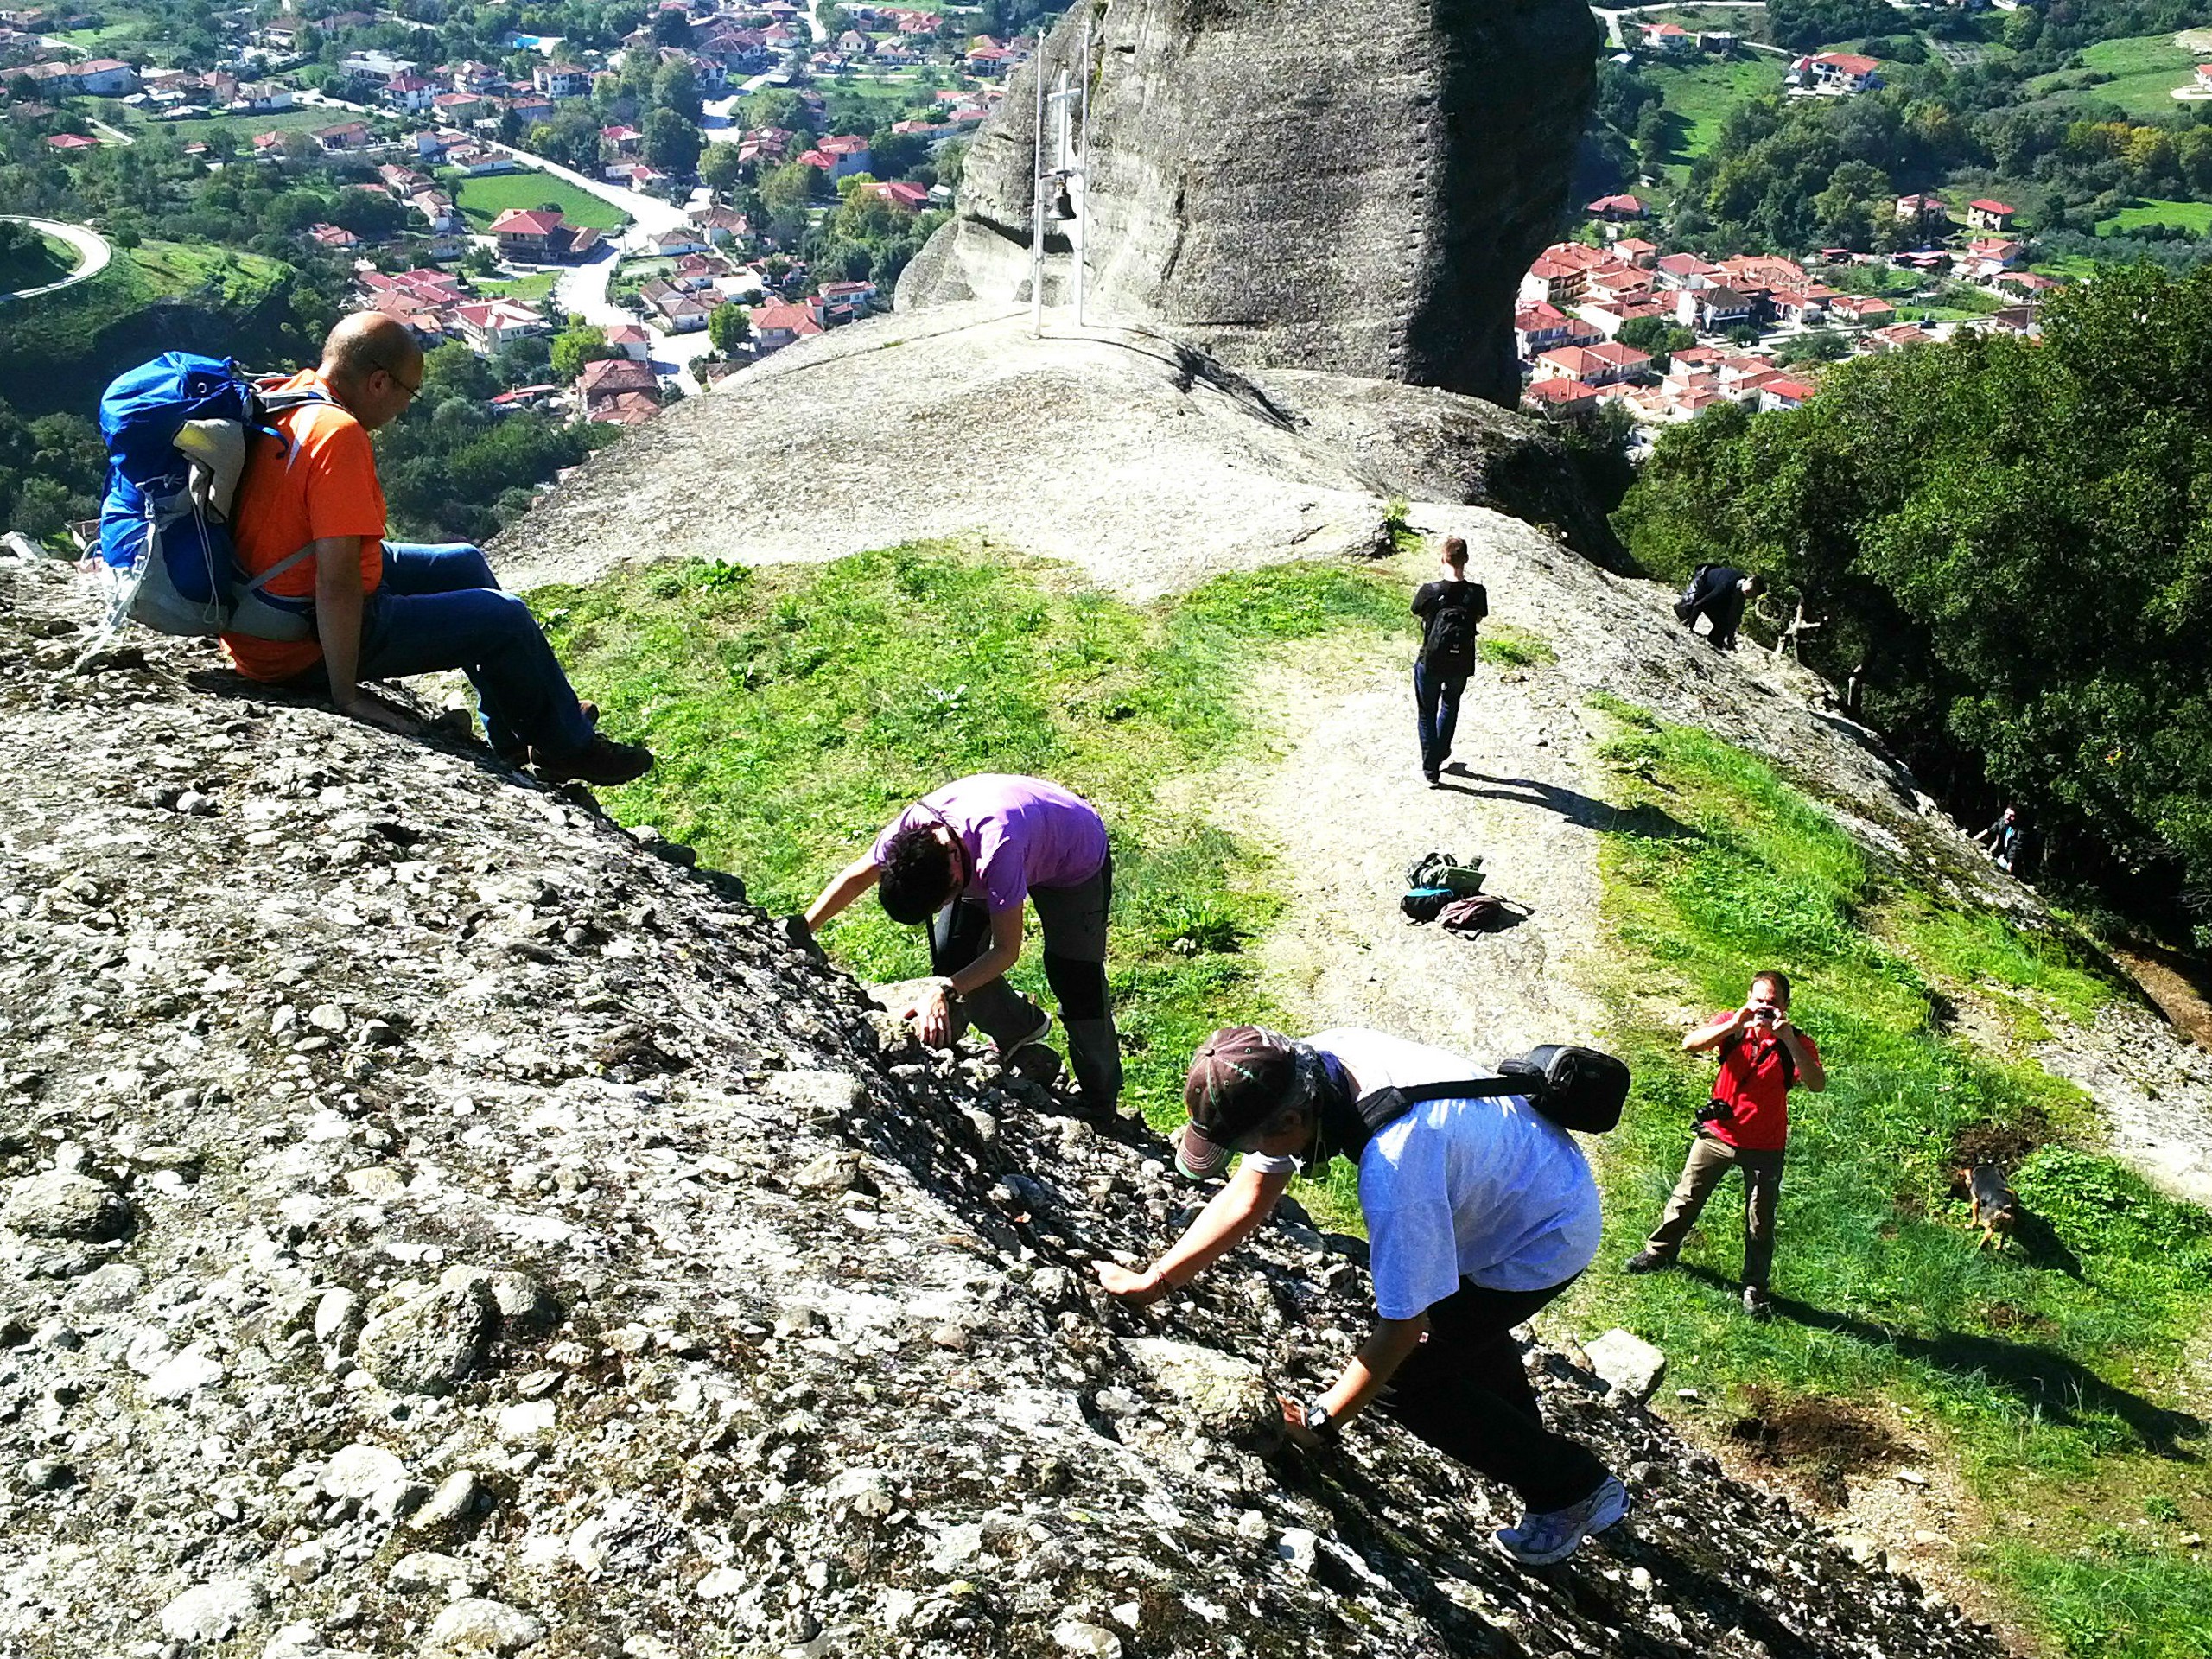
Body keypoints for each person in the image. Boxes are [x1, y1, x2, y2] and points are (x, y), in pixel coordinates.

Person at [1098, 1026, 1629, 1569]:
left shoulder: (1396, 1165)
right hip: (1516, 1185)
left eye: (1250, 1143)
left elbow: (1403, 1326)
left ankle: (1572, 1488)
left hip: (1540, 1237)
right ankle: (1535, 1460)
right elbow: (1251, 1192)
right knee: (1463, 1344)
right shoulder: (1309, 1067)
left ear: (1290, 1122)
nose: (1251, 1156)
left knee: (1407, 1384)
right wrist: (1155, 1281)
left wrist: (1322, 1421)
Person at [225, 313, 652, 786]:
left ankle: (514, 734)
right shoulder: (339, 435)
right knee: (503, 618)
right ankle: (567, 748)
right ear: (379, 382)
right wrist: (345, 695)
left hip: (268, 604)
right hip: (300, 641)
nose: (406, 407)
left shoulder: (289, 396)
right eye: (409, 392)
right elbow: (338, 581)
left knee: (463, 562)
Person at [802, 774, 1122, 1110]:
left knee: (1076, 979)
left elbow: (1007, 949)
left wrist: (945, 990)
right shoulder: (912, 834)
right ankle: (1018, 1028)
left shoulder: (996, 848)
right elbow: (855, 877)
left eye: (945, 900)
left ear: (955, 872)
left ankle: (1100, 1101)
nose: (944, 906)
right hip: (1013, 838)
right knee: (953, 950)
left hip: (1073, 854)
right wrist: (803, 929)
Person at [1624, 971, 1826, 1317]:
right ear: (1749, 998)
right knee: (1686, 1197)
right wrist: (1735, 1024)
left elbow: (1817, 1083)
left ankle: (1754, 1288)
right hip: (1718, 1134)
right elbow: (1690, 1044)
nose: (1764, 1008)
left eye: (1772, 1003)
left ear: (1786, 1006)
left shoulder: (1797, 1043)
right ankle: (1659, 1252)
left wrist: (1788, 1040)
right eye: (1759, 1000)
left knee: (1760, 1220)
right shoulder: (1732, 1027)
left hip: (1765, 1144)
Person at [1409, 535, 1488, 786]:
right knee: (1450, 705)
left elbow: (1417, 611)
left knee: (1427, 713)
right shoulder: (1477, 593)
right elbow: (1477, 619)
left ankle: (1431, 769)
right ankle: (1441, 750)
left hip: (1431, 661)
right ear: (1466, 559)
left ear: (1443, 557)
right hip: (1461, 661)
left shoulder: (1430, 591)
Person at [1673, 564, 1763, 651]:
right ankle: (1684, 611)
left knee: (1723, 623)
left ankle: (1714, 642)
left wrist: (1730, 637)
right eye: (1749, 590)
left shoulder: (1740, 594)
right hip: (1703, 582)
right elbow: (1700, 604)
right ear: (1748, 581)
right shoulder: (1726, 584)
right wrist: (1690, 625)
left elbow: (1734, 617)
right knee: (1689, 608)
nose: (1748, 592)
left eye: (1751, 594)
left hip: (1720, 594)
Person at [1975, 805, 2024, 875]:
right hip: (2002, 854)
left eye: (2012, 816)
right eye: (2007, 814)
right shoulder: (2004, 821)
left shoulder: (2020, 832)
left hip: (2013, 862)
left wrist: (2009, 872)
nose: (2007, 817)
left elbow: (2014, 850)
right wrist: (1972, 840)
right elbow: (1991, 830)